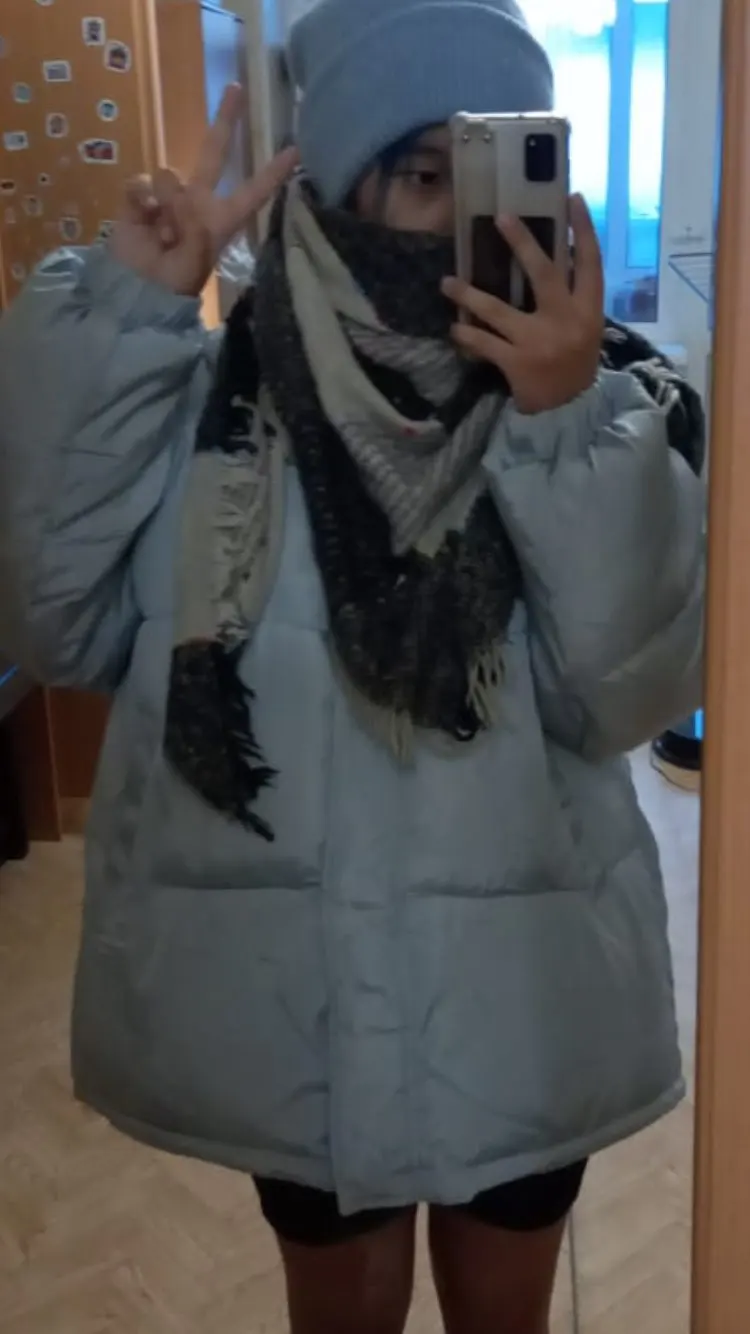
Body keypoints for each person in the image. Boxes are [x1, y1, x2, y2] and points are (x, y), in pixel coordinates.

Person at [0, 1, 705, 1331]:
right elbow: (55, 625)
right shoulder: (205, 402)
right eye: (427, 172)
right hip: (299, 1020)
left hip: (528, 996)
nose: (463, 222)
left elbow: (628, 694)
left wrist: (564, 427)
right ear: (331, 183)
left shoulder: (608, 407)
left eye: (502, 169)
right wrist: (121, 322)